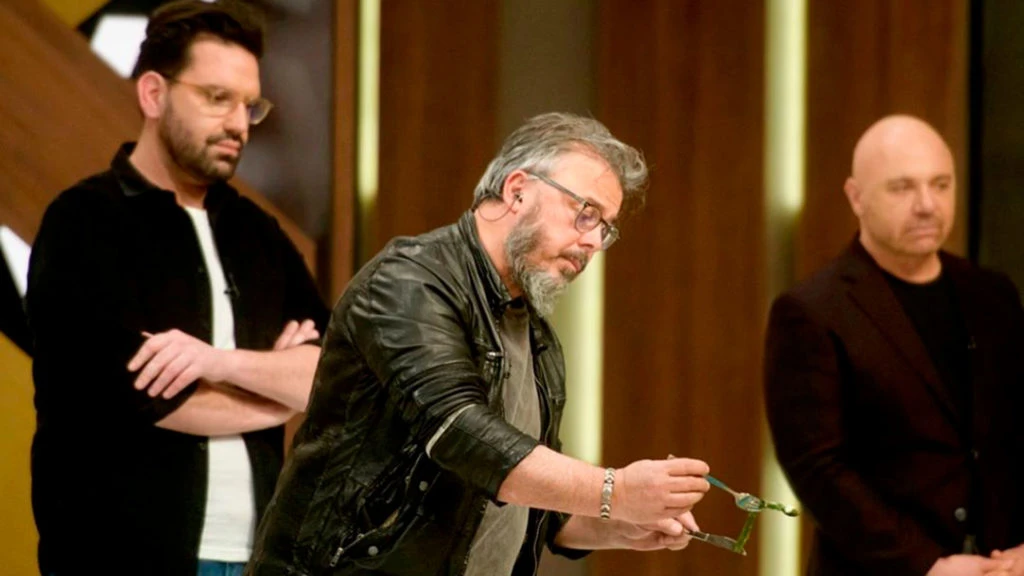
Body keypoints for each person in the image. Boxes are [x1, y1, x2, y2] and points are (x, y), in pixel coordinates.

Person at [246, 112, 711, 576]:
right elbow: (463, 435)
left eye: (604, 228)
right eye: (585, 213)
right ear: (517, 191)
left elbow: (537, 509)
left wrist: (619, 525)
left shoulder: (538, 336)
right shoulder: (408, 281)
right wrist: (615, 491)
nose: (593, 242)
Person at [26, 1, 329, 574]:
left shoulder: (258, 234)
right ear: (153, 94)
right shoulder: (84, 223)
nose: (239, 124)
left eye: (250, 105)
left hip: (257, 556)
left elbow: (332, 377)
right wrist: (277, 389)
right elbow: (142, 396)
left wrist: (217, 363)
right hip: (118, 558)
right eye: (217, 98)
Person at [764, 115, 1024, 576]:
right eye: (902, 188)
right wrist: (927, 565)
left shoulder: (992, 294)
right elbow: (817, 468)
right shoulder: (812, 311)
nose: (927, 205)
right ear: (856, 197)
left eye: (940, 184)